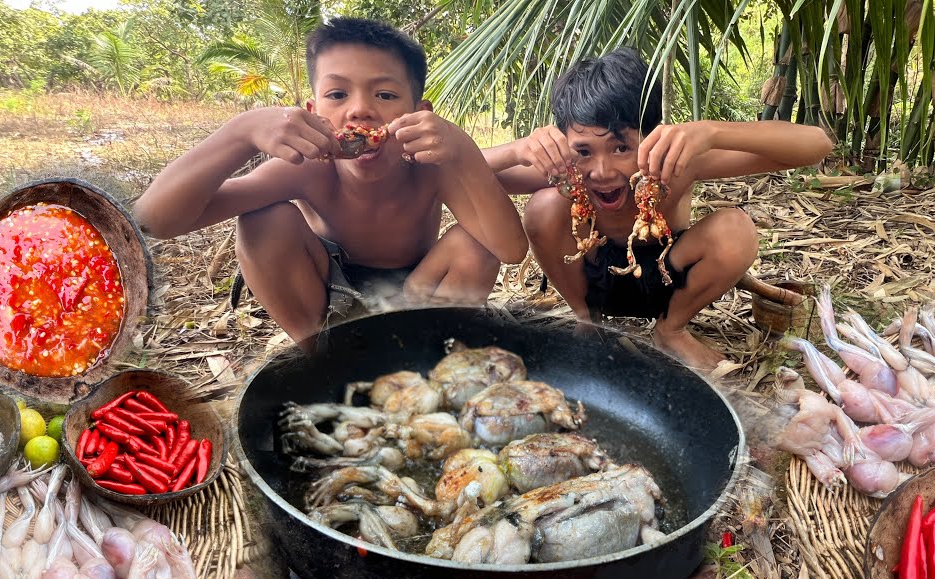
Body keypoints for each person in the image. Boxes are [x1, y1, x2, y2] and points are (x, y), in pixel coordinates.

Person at [134, 17, 527, 349]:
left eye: (385, 94)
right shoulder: (303, 170)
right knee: (262, 220)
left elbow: (508, 249)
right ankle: (325, 359)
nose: (360, 110)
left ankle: (425, 355)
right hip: (330, 301)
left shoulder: (432, 167)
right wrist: (242, 133)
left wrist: (464, 151)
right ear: (313, 113)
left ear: (419, 114)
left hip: (421, 293)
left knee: (477, 240)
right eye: (337, 94)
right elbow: (155, 220)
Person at [484, 48, 833, 371]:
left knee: (735, 229)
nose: (601, 171)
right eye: (584, 151)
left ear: (653, 137)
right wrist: (517, 150)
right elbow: (465, 175)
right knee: (543, 206)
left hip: (668, 281)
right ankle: (588, 320)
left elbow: (817, 145)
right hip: (592, 283)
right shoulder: (566, 169)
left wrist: (712, 132)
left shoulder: (676, 163)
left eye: (621, 147)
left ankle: (671, 329)